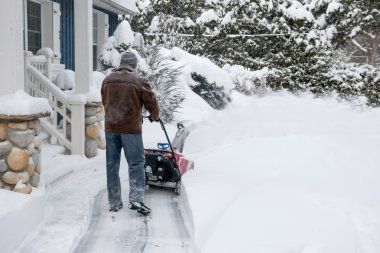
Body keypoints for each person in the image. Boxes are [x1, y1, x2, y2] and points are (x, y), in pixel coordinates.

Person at [101, 51, 160, 215]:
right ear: (134, 65)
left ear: (121, 63)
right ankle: (136, 199)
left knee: (112, 165)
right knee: (136, 164)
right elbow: (151, 102)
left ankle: (114, 202)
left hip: (111, 128)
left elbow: (104, 101)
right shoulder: (139, 80)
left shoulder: (107, 80)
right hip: (130, 129)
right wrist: (155, 115)